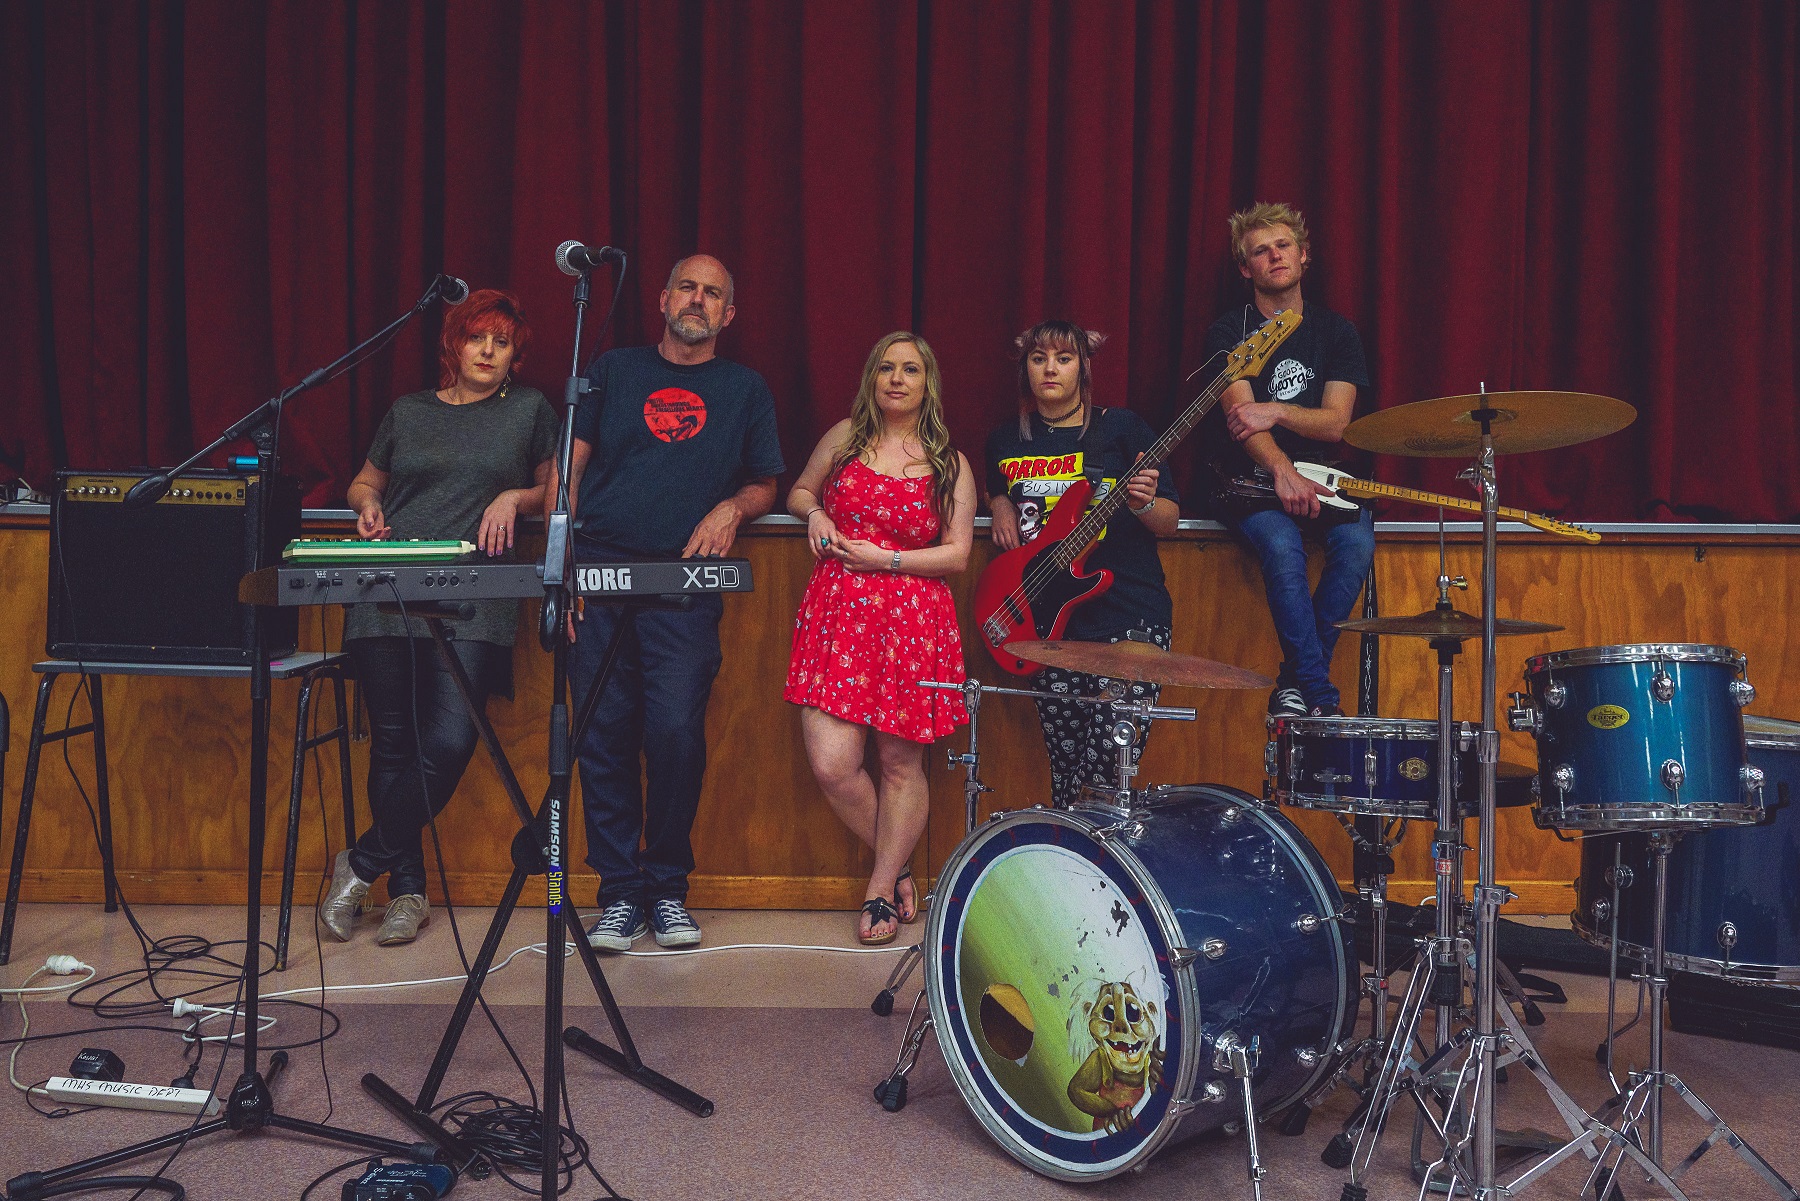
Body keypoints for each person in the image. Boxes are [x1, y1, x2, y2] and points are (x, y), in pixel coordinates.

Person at [555, 255, 783, 952]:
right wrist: (559, 563)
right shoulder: (613, 371)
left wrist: (730, 509)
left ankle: (667, 889)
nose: (698, 299)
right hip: (597, 572)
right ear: (661, 298)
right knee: (603, 735)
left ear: (729, 314)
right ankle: (619, 895)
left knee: (676, 732)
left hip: (684, 582)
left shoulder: (744, 388)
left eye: (714, 292)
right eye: (687, 286)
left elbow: (766, 483)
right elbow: (570, 469)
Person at [319, 289, 557, 946]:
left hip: (474, 594)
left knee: (449, 740)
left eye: (502, 342)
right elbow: (366, 481)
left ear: (516, 355)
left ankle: (360, 862)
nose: (488, 351)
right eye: (477, 337)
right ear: (453, 344)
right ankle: (409, 890)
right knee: (393, 745)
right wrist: (365, 505)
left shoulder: (531, 411)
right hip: (386, 587)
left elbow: (558, 489)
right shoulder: (409, 411)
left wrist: (516, 494)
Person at [783, 332, 975, 945]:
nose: (897, 378)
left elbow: (958, 554)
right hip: (838, 614)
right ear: (872, 377)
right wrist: (814, 514)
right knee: (833, 765)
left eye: (911, 369)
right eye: (886, 368)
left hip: (911, 621)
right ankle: (897, 867)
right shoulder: (844, 439)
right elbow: (800, 491)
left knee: (899, 763)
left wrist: (886, 561)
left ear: (928, 383)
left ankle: (880, 887)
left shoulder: (949, 460)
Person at [985, 320, 1180, 808]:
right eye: (1038, 358)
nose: (1050, 369)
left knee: (1110, 773)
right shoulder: (1007, 439)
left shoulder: (1123, 428)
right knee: (1067, 776)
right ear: (1024, 369)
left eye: (1064, 358)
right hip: (1051, 625)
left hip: (1128, 614)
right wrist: (999, 502)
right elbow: (998, 487)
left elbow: (1170, 521)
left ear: (1084, 367)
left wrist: (1141, 504)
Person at [1202, 201, 1374, 719]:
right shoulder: (1229, 331)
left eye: (1283, 246)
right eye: (1260, 250)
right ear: (1244, 268)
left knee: (1357, 542)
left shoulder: (1337, 332)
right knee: (1281, 546)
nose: (1274, 256)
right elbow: (1240, 423)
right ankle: (1319, 697)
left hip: (1325, 477)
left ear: (1304, 255)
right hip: (1249, 478)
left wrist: (1274, 408)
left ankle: (1295, 683)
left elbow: (1335, 422)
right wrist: (1282, 471)